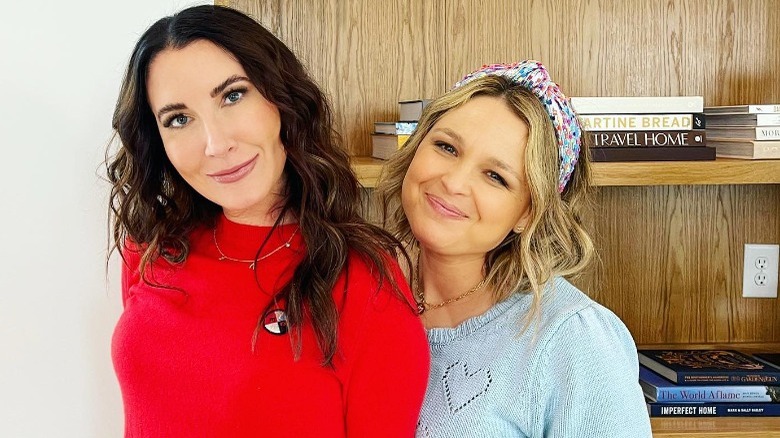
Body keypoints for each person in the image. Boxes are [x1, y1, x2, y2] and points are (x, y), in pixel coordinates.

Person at [106, 5, 429, 437]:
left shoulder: (366, 285)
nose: (216, 144)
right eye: (179, 119)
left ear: (280, 98)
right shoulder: (149, 249)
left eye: (232, 96)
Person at [376, 61, 652, 437]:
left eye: (495, 176)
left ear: (528, 213)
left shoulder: (573, 339)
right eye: (446, 147)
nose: (453, 182)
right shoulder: (358, 287)